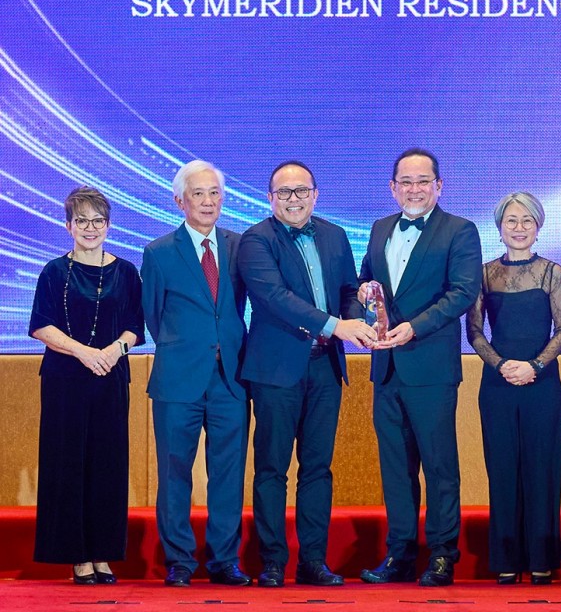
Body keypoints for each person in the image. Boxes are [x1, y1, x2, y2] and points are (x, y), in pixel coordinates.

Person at [238, 161, 378, 587]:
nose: (294, 199)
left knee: (317, 468)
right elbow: (276, 298)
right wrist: (339, 326)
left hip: (325, 367)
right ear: (270, 198)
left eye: (302, 191)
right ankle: (274, 562)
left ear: (315, 195)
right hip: (276, 370)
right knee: (271, 469)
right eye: (284, 192)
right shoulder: (255, 240)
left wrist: (358, 317)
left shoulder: (334, 235)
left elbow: (349, 291)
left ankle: (313, 561)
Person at [358, 148, 482, 587]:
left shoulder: (460, 231)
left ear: (438, 186)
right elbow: (367, 280)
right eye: (405, 182)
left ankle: (444, 555)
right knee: (396, 468)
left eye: (422, 181)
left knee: (439, 465)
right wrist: (364, 298)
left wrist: (415, 327)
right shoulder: (379, 229)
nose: (413, 189)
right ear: (393, 188)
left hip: (430, 366)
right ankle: (400, 555)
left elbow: (463, 292)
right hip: (385, 367)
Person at [141, 160, 249, 587]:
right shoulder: (159, 251)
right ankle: (180, 561)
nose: (207, 201)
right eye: (198, 194)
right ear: (179, 201)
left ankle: (225, 560)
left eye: (214, 193)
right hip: (178, 378)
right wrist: (183, 347)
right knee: (174, 472)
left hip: (232, 378)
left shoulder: (240, 246)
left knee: (228, 472)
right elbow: (153, 313)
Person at [28, 186, 144, 584]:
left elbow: (135, 326)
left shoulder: (127, 272)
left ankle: (103, 554)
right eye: (82, 221)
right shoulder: (54, 271)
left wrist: (113, 350)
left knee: (107, 466)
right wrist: (83, 352)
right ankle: (77, 556)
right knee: (68, 465)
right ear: (69, 226)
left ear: (108, 226)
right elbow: (40, 325)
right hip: (66, 382)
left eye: (98, 220)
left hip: (111, 378)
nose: (90, 228)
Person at [466, 192, 561, 585]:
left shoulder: (551, 273)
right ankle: (507, 558)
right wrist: (502, 365)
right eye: (512, 220)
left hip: (542, 383)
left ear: (538, 227)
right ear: (500, 227)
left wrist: (536, 366)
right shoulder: (484, 273)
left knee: (541, 468)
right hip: (497, 382)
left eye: (527, 221)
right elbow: (474, 331)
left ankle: (543, 558)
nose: (519, 228)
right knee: (503, 468)